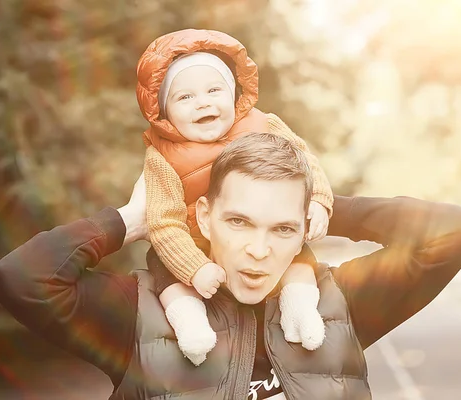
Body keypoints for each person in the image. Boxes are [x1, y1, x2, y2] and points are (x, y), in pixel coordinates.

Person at [0, 132, 461, 400]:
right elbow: (21, 279)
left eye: (282, 229)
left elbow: (452, 232)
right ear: (204, 217)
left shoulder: (338, 307)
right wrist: (132, 220)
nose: (259, 250)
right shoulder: (140, 314)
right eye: (240, 222)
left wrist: (326, 208)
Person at [138, 28, 333, 365]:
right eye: (184, 97)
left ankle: (299, 307)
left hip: (260, 224)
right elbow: (163, 223)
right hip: (190, 245)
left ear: (233, 95)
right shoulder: (162, 159)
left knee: (300, 258)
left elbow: (305, 161)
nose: (203, 102)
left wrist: (318, 200)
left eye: (214, 90)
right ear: (164, 112)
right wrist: (195, 268)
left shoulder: (264, 124)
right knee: (163, 271)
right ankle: (190, 324)